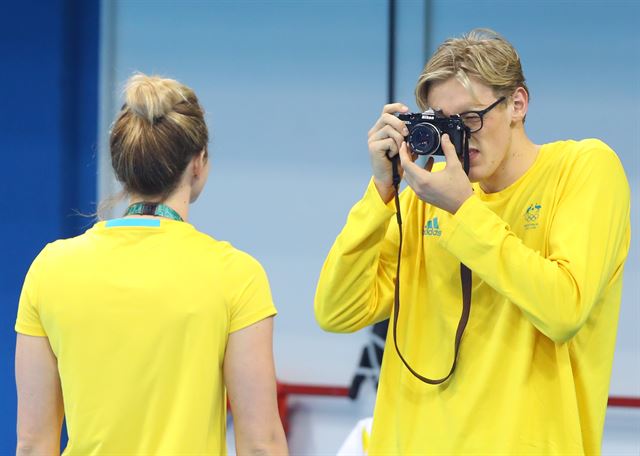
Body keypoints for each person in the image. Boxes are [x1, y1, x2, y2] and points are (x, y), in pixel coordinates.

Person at [315, 29, 630, 455]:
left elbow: (563, 308)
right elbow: (337, 310)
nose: (456, 140)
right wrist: (380, 193)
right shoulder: (425, 200)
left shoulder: (583, 168)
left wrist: (465, 210)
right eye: (443, 123)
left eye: (469, 120)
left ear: (518, 103)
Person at [15, 73, 288, 455]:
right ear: (198, 163)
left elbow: (32, 444)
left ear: (121, 165)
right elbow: (261, 444)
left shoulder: (50, 268)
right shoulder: (236, 275)